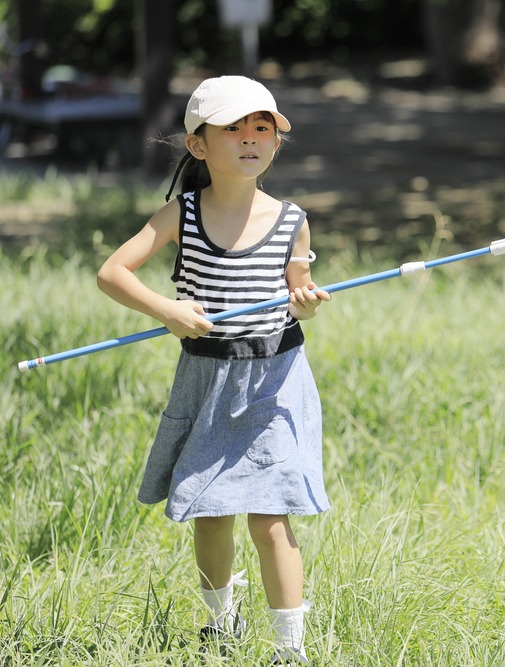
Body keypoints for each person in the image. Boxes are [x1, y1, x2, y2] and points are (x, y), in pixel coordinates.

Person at [97, 75, 330, 665]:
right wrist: (167, 310)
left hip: (274, 381)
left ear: (277, 140)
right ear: (198, 145)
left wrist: (304, 301)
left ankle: (289, 648)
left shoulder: (292, 220)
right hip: (208, 380)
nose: (251, 139)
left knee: (271, 518)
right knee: (212, 511)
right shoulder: (183, 214)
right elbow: (113, 273)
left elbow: (297, 291)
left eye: (263, 127)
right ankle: (220, 627)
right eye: (233, 129)